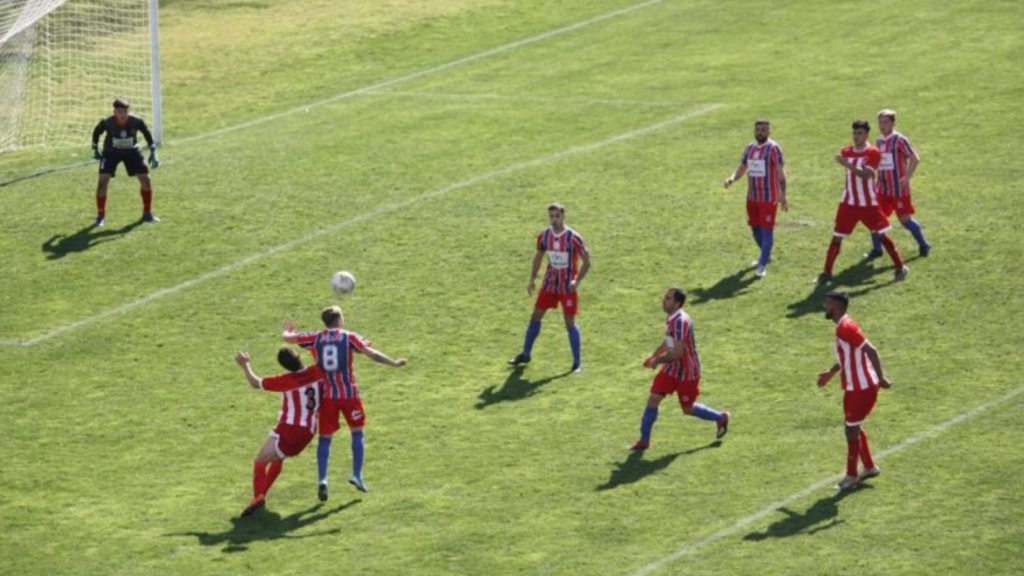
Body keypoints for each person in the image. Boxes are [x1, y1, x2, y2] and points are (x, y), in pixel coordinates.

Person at [283, 306, 407, 499]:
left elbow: (289, 339)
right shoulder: (348, 337)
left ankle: (323, 480)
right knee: (357, 433)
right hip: (349, 395)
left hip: (327, 397)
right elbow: (372, 353)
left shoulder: (315, 337)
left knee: (325, 438)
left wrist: (287, 332)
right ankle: (356, 475)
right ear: (339, 319)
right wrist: (394, 363)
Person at [631, 287, 729, 451]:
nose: (664, 300)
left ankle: (721, 417)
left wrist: (658, 361)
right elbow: (668, 342)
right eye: (665, 297)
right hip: (672, 370)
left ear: (677, 303)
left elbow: (677, 353)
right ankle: (644, 441)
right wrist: (653, 356)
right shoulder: (672, 318)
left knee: (687, 408)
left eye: (668, 298)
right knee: (653, 399)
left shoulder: (680, 322)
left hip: (688, 373)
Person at [815, 120, 908, 284]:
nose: (856, 136)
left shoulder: (873, 152)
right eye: (854, 133)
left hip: (868, 205)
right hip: (848, 203)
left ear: (866, 134)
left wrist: (847, 164)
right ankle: (826, 273)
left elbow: (866, 175)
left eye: (859, 133)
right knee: (836, 237)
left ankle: (900, 267)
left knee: (881, 235)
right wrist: (847, 162)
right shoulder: (846, 151)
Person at [233, 348, 324, 517]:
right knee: (277, 458)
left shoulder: (286, 380)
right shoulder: (318, 370)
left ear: (284, 366)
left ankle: (258, 497)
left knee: (260, 461)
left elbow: (255, 382)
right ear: (298, 356)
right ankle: (261, 496)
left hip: (290, 429)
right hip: (309, 430)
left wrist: (245, 365)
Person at [816, 291, 891, 490]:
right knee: (853, 425)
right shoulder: (844, 326)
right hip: (857, 385)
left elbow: (871, 350)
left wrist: (881, 377)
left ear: (837, 307)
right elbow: (848, 356)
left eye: (828, 303)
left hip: (861, 387)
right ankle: (869, 467)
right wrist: (831, 373)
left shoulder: (845, 328)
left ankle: (851, 475)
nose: (825, 306)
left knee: (851, 428)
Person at [509, 203, 591, 372]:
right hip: (549, 285)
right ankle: (525, 354)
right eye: (551, 216)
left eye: (557, 216)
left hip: (567, 288)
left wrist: (576, 281)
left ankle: (577, 363)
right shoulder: (544, 236)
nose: (554, 220)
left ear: (563, 216)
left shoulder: (573, 237)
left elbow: (587, 262)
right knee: (535, 316)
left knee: (569, 322)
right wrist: (532, 278)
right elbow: (538, 257)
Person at [723, 119, 789, 277]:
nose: (760, 132)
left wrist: (783, 193)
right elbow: (742, 167)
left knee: (767, 231)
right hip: (752, 196)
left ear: (769, 132)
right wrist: (732, 178)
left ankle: (763, 263)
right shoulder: (750, 148)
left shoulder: (773, 149)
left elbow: (781, 172)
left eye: (764, 130)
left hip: (768, 198)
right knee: (754, 227)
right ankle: (764, 255)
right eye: (758, 129)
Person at [865, 109, 930, 258]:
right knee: (874, 218)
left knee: (905, 220)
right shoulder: (879, 141)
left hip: (899, 189)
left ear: (893, 123)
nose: (883, 125)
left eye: (886, 122)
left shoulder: (900, 140)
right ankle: (877, 250)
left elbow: (915, 159)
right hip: (882, 188)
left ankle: (924, 244)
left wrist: (907, 176)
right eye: (880, 122)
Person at [91, 98, 160, 226]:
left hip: (132, 152)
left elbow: (146, 133)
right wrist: (95, 148)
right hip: (111, 152)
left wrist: (153, 150)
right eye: (119, 111)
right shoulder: (107, 122)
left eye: (124, 111)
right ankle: (100, 216)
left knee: (146, 179)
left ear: (129, 111)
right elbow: (96, 131)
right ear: (114, 112)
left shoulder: (137, 121)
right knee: (102, 182)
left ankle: (147, 213)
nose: (122, 115)